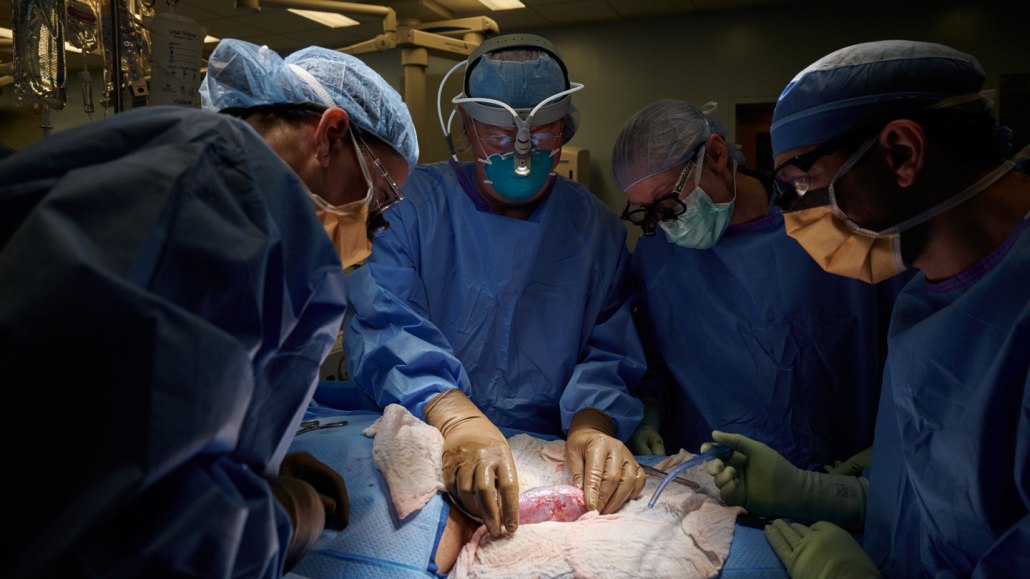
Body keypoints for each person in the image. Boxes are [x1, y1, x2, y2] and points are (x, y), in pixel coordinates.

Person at [0, 38, 416, 577]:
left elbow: (132, 400)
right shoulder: (231, 196)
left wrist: (253, 466)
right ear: (330, 135)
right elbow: (121, 515)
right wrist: (280, 517)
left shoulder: (197, 166)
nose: (371, 231)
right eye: (377, 200)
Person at [704, 40, 1029, 577]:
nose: (795, 215)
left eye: (802, 181)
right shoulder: (927, 297)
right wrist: (817, 494)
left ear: (901, 152)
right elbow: (942, 500)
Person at [343, 33, 647, 538]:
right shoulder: (410, 208)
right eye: (501, 137)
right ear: (466, 124)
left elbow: (610, 349)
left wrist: (593, 427)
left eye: (542, 135)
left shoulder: (594, 229)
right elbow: (385, 326)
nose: (522, 152)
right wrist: (457, 420)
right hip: (428, 436)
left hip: (551, 456)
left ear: (567, 126)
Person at [612, 99, 904, 472]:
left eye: (668, 201)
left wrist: (879, 457)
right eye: (646, 213)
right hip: (711, 477)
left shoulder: (829, 231)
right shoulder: (658, 256)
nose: (663, 222)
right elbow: (649, 356)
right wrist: (649, 410)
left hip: (835, 477)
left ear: (716, 154)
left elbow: (901, 345)